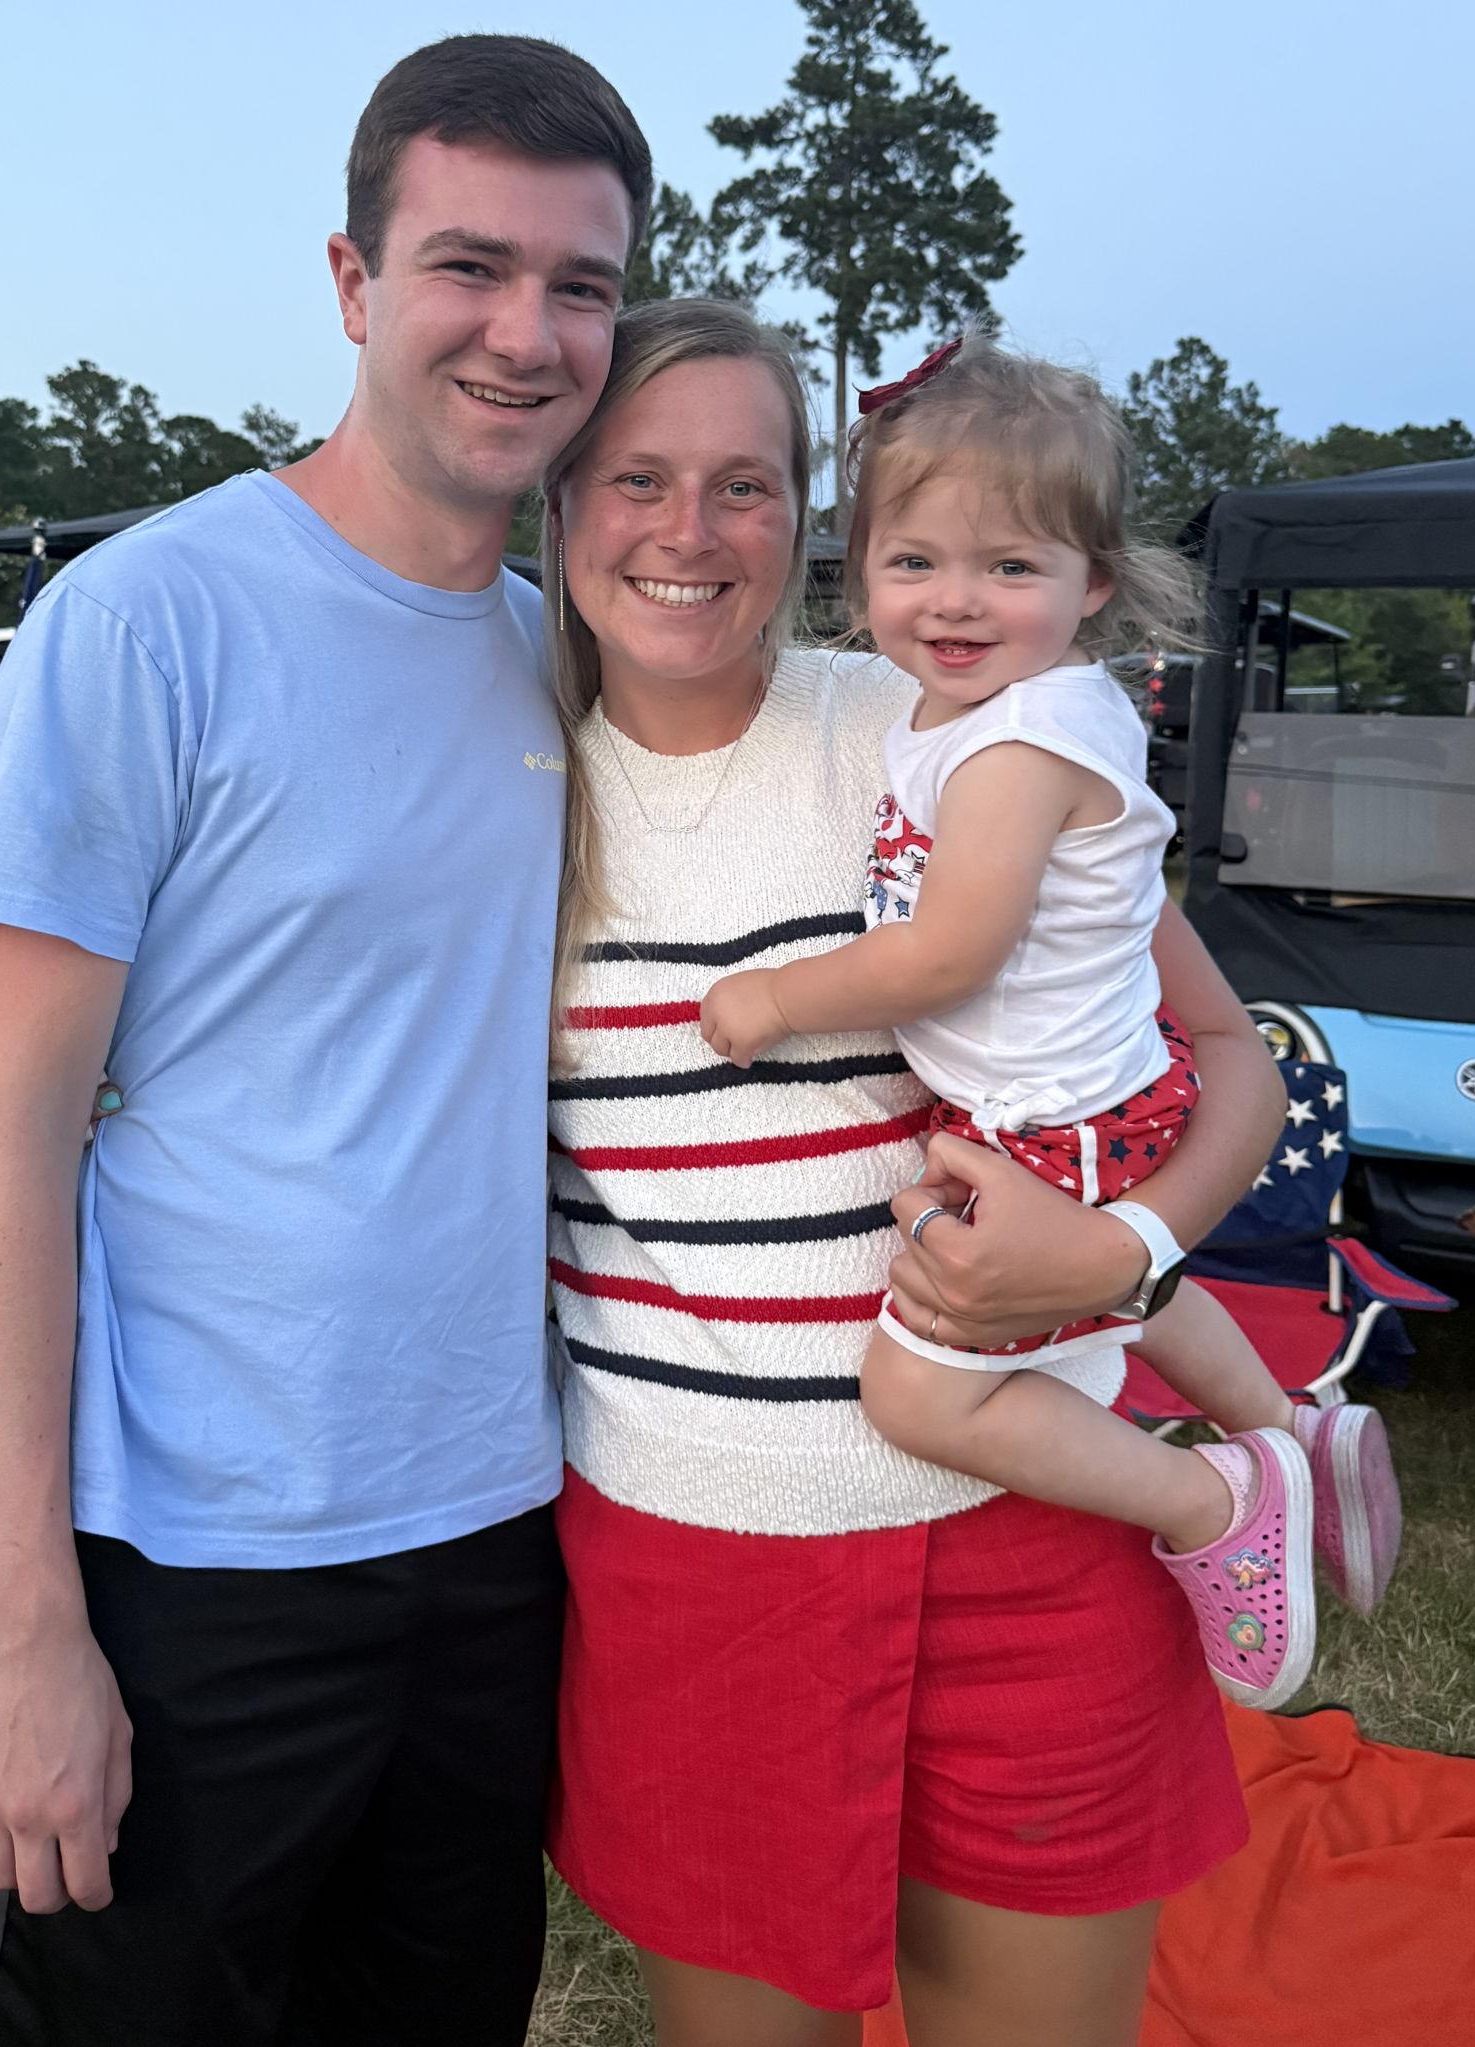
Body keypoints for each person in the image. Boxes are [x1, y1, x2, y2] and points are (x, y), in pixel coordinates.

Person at [0, 37, 650, 2047]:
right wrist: (19, 1624)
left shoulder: (563, 661)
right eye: (468, 265)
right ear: (349, 279)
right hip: (185, 1553)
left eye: (579, 286)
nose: (524, 333)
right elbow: (9, 1136)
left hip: (492, 1532)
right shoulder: (146, 621)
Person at [541, 298, 1289, 2047]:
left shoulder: (952, 729)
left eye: (744, 483)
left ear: (809, 515)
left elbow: (1229, 1055)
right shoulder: (493, 782)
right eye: (634, 477)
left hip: (1028, 1520)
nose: (685, 528)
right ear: (557, 499)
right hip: (693, 1560)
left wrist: (1123, 1250)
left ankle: (1267, 1479)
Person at [696, 335, 1404, 1705]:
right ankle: (1292, 1427)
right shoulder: (998, 710)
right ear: (862, 566)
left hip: (1057, 1120)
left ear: (1094, 581)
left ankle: (1213, 1500)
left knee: (920, 1394)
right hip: (1097, 1094)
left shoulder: (1019, 742)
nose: (955, 600)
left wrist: (773, 997)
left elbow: (948, 950)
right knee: (1143, 1295)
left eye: (1010, 566)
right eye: (914, 560)